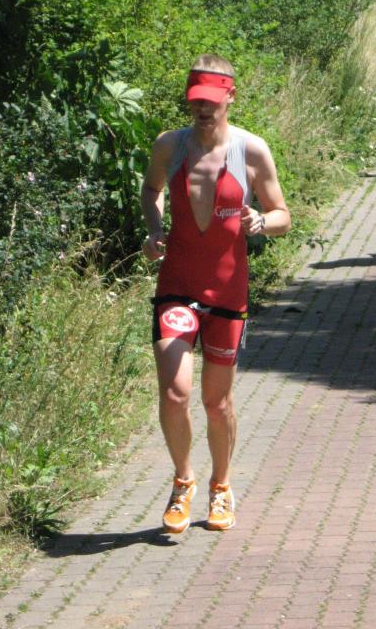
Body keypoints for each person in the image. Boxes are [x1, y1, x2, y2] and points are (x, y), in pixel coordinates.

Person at [141, 53, 291, 533]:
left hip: (228, 292)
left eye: (210, 101)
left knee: (216, 403)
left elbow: (283, 215)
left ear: (230, 98)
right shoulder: (170, 146)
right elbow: (151, 189)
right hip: (177, 287)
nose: (202, 110)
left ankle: (221, 486)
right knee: (175, 392)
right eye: (195, 102)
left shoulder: (252, 151)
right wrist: (154, 229)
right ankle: (182, 481)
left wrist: (261, 221)